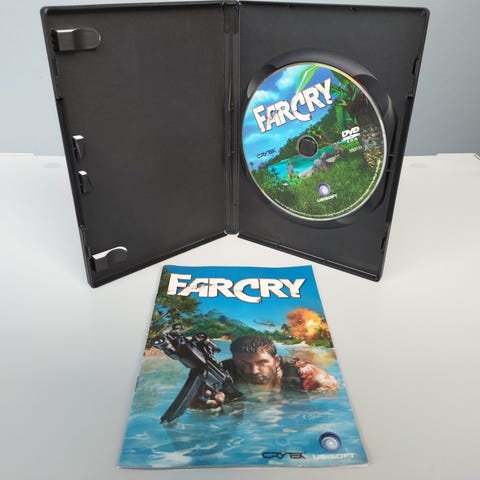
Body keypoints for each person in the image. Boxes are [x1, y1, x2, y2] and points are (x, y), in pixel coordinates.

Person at [198, 335, 338, 409]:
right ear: (234, 360)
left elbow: (331, 399)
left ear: (276, 360)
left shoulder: (305, 373)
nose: (253, 371)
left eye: (262, 362)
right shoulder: (220, 371)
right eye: (244, 363)